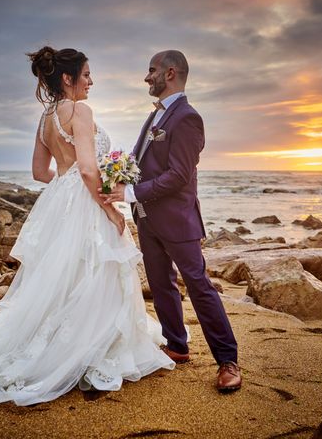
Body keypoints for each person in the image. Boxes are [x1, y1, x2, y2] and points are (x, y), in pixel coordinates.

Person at [0, 47, 174, 405]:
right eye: (86, 74)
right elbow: (88, 169)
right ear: (68, 78)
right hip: (86, 200)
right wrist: (112, 210)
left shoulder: (46, 118)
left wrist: (68, 178)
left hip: (60, 200)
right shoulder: (81, 110)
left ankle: (58, 340)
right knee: (92, 272)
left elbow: (40, 173)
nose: (92, 81)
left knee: (61, 277)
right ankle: (87, 348)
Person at [100, 50, 241, 391]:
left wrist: (130, 194)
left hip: (177, 220)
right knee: (161, 284)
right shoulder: (155, 118)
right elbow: (142, 161)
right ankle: (177, 345)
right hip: (148, 218)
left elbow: (179, 175)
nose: (147, 77)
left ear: (170, 73)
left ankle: (228, 360)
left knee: (198, 285)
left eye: (152, 71)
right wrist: (116, 176)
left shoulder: (187, 118)